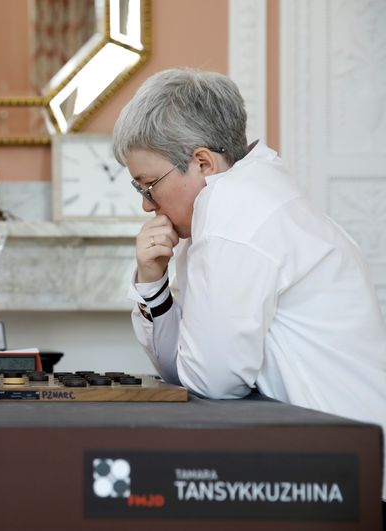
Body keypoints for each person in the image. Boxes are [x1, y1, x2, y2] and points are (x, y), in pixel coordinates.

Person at [113, 68, 386, 504]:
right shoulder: (245, 196)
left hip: (344, 480)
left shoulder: (232, 217)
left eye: (150, 185)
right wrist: (152, 281)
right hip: (335, 460)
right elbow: (183, 371)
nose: (147, 204)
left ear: (203, 162)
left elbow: (208, 381)